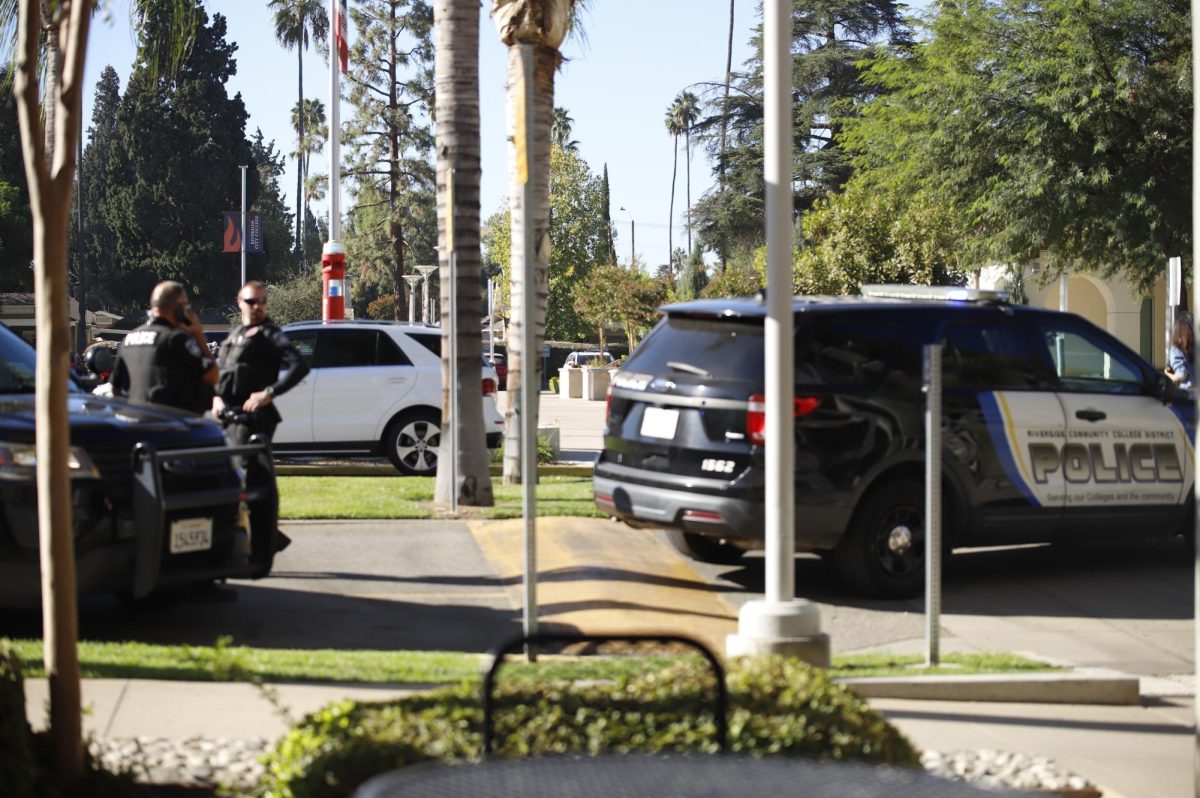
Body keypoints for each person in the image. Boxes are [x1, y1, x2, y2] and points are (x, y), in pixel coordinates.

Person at [213, 280, 309, 566]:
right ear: (239, 302)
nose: (257, 307)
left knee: (253, 484)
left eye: (262, 302)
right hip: (227, 418)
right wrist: (216, 399)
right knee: (234, 482)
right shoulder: (236, 334)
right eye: (251, 301)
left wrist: (268, 394)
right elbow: (225, 374)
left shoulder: (270, 334)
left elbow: (299, 366)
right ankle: (264, 538)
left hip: (253, 420)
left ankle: (261, 549)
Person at [110, 281, 217, 413]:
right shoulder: (175, 339)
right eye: (186, 307)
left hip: (135, 426)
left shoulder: (129, 339)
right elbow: (213, 376)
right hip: (171, 426)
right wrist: (198, 335)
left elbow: (114, 388)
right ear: (179, 308)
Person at [1165, 312, 1194, 390]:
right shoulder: (1196, 347)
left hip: (1188, 393)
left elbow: (1181, 374)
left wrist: (1168, 375)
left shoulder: (1176, 349)